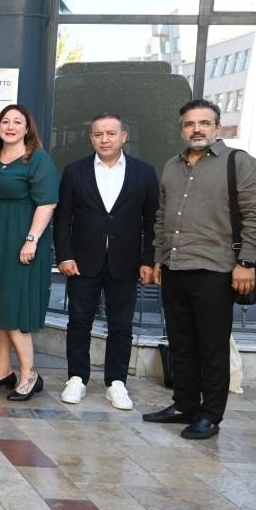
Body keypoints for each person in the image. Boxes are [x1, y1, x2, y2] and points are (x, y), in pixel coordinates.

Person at [145, 99, 256, 440]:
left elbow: (255, 215)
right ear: (182, 129)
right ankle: (184, 405)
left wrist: (246, 263)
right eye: (189, 124)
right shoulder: (171, 166)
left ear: (217, 127)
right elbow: (162, 217)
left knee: (212, 347)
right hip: (175, 267)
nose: (197, 129)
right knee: (181, 343)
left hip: (217, 269)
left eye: (204, 123)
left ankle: (210, 415)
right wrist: (159, 258)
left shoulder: (238, 162)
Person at [55, 114, 159, 411]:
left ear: (124, 136)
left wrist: (148, 260)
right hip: (82, 261)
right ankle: (76, 378)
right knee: (79, 321)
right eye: (98, 134)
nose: (104, 139)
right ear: (91, 138)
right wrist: (64, 255)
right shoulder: (75, 171)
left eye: (111, 133)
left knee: (121, 325)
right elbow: (63, 217)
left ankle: (116, 383)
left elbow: (152, 221)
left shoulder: (144, 172)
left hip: (126, 262)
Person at [0, 104, 59, 401]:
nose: (10, 127)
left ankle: (28, 374)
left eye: (17, 122)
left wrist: (31, 239)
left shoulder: (38, 159)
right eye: (5, 122)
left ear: (27, 128)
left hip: (21, 239)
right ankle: (2, 370)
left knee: (15, 307)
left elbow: (47, 203)